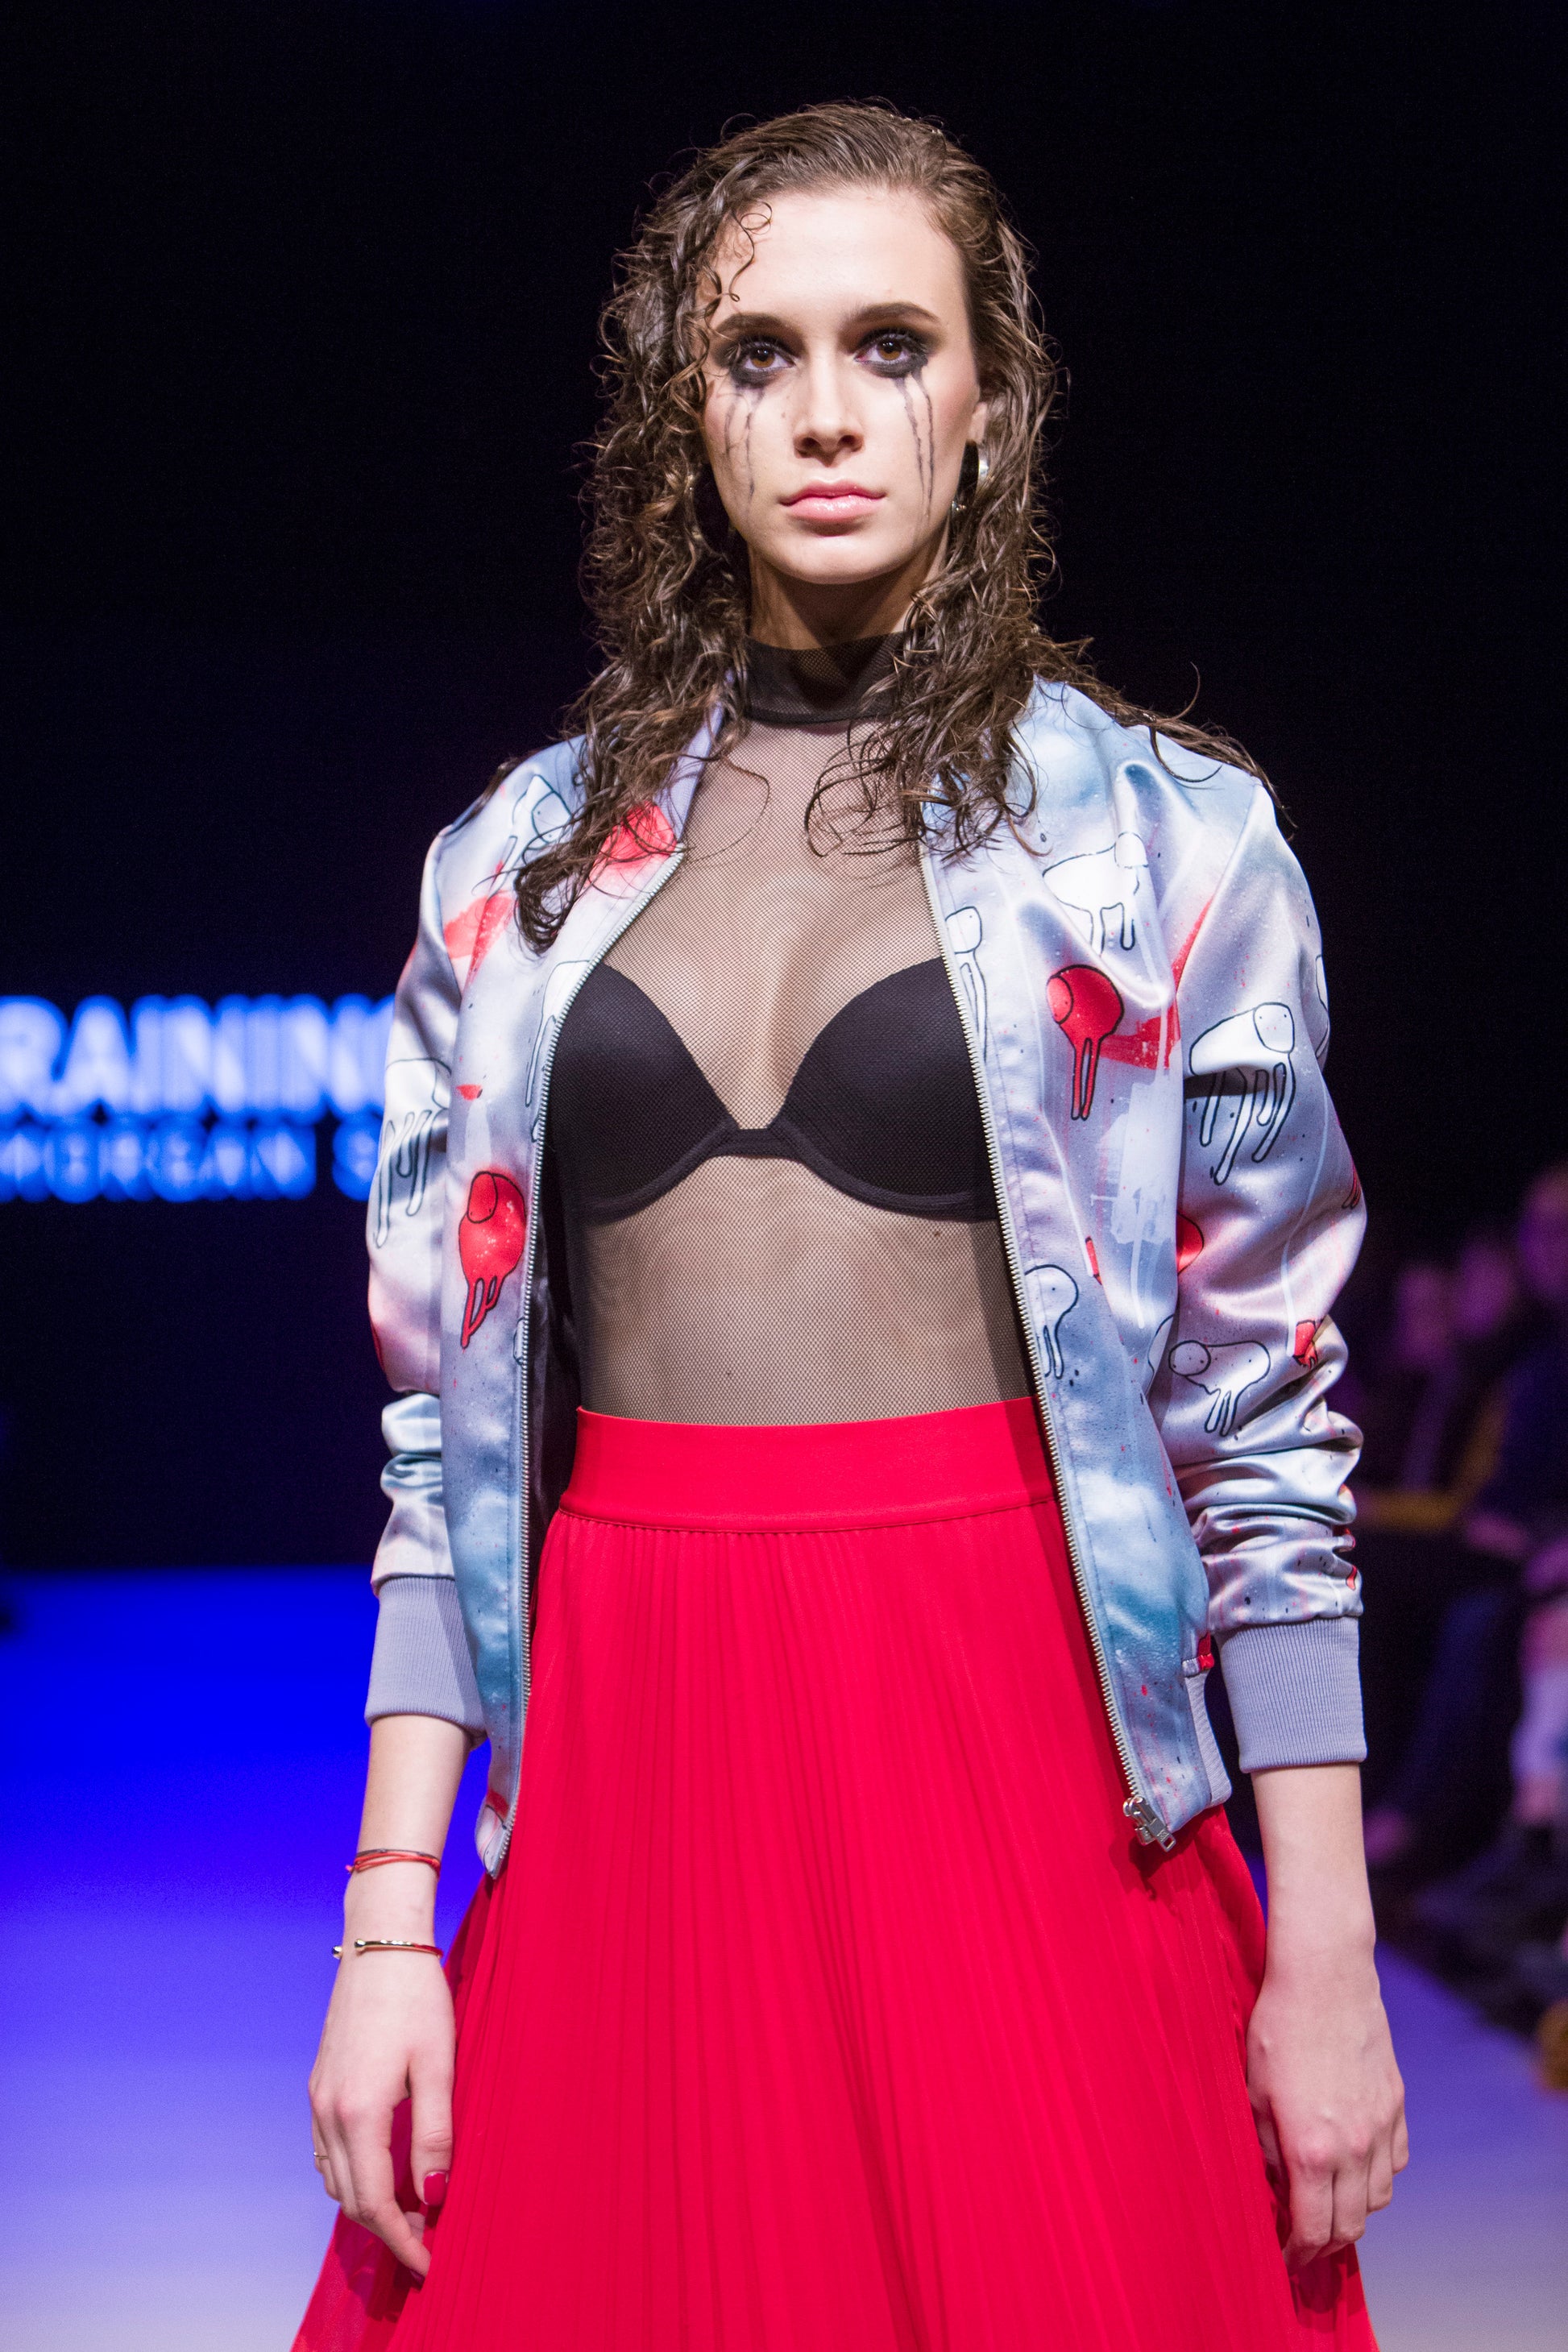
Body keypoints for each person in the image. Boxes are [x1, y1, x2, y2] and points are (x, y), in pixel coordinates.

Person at [295, 105, 1402, 2352]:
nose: (823, 412)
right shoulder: (508, 877)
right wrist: (390, 1923)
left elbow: (1264, 1424)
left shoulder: (1171, 847)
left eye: (889, 346)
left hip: (1017, 1745)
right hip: (633, 1758)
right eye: (758, 354)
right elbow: (444, 1456)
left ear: (989, 398)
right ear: (682, 415)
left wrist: (1327, 1946)